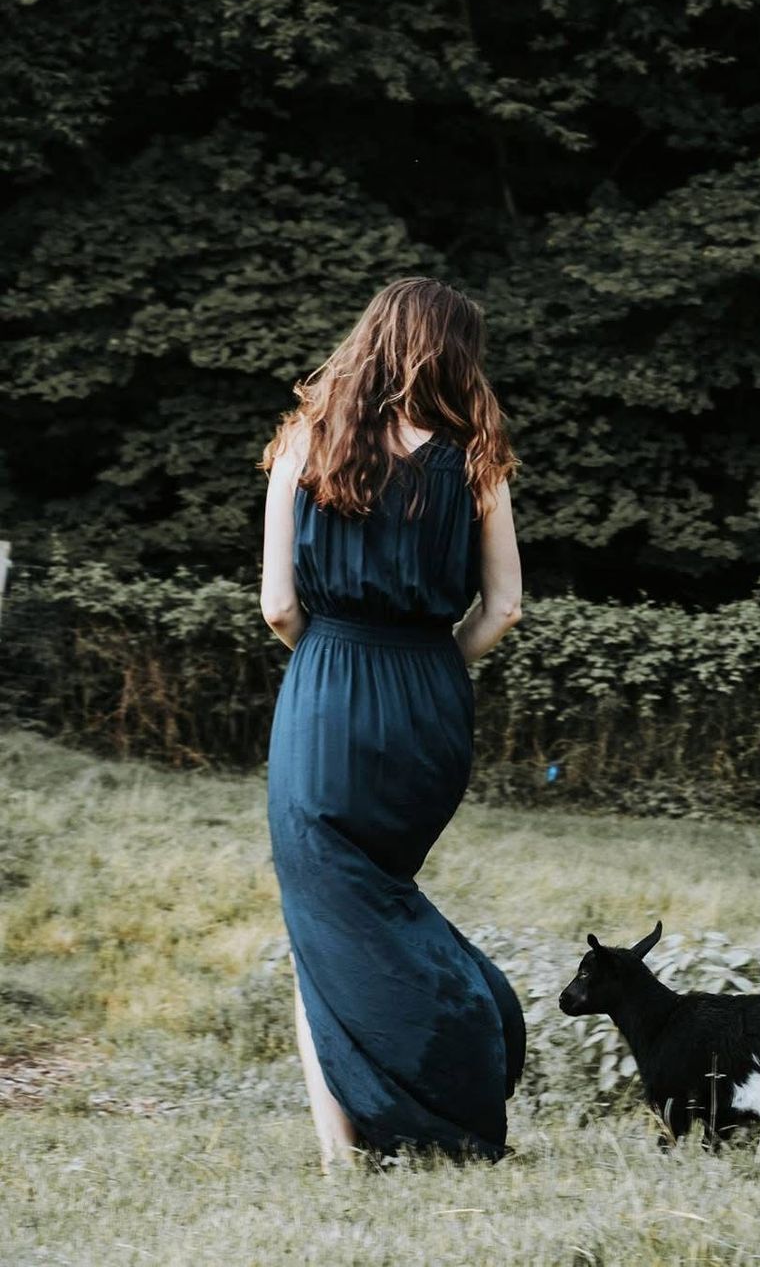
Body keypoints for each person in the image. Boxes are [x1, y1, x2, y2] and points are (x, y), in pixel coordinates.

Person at [258, 277, 527, 1171]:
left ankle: (348, 1150)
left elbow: (278, 608)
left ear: (372, 341)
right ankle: (395, 1107)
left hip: (328, 693)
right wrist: (435, 664)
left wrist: (332, 657)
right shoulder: (476, 459)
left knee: (327, 922)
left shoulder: (306, 442)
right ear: (453, 356)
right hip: (429, 704)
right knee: (365, 906)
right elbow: (504, 609)